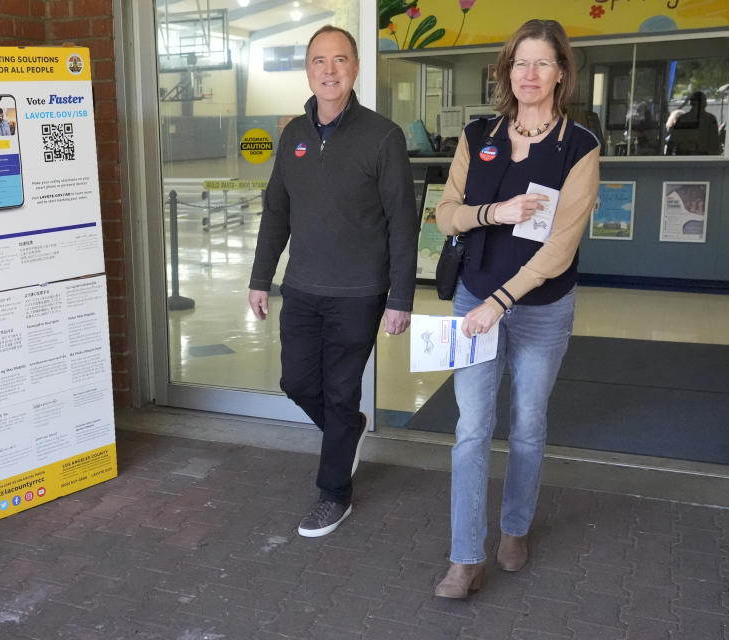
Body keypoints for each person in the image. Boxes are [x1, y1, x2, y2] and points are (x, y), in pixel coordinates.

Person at [432, 19, 599, 597]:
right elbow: (446, 213)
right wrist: (494, 213)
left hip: (540, 308)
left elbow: (561, 247)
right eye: (519, 63)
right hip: (474, 296)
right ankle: (463, 557)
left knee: (527, 426)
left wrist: (502, 303)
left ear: (560, 73)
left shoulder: (578, 146)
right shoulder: (479, 133)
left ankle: (515, 529)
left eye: (542, 64)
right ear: (506, 71)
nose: (529, 74)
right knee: (472, 429)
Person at [248, 25, 419, 538]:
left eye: (339, 59)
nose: (329, 70)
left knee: (341, 392)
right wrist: (261, 278)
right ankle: (349, 432)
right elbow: (276, 211)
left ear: (355, 68)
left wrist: (401, 297)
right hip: (301, 287)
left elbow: (402, 223)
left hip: (359, 292)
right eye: (319, 60)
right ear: (307, 69)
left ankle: (333, 494)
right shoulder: (293, 135)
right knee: (297, 382)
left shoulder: (382, 136)